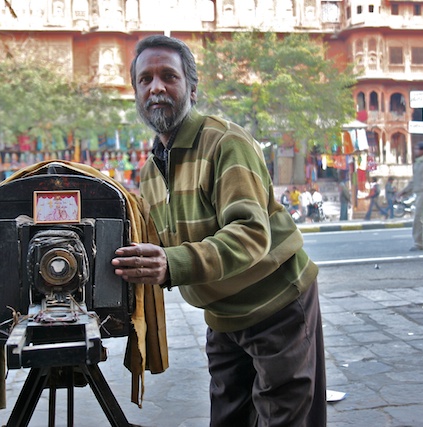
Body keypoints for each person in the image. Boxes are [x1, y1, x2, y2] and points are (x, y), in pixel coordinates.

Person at [113, 35, 326, 426]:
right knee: (228, 416)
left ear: (191, 88)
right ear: (136, 93)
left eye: (167, 76)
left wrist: (170, 264)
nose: (156, 87)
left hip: (276, 304)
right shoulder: (149, 171)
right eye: (145, 79)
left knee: (284, 416)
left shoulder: (225, 142)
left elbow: (249, 233)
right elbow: (163, 242)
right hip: (223, 316)